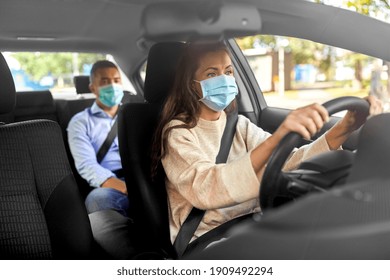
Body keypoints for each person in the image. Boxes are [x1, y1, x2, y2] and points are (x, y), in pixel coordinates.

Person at [151, 41, 383, 247]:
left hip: (253, 223)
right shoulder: (177, 133)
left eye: (228, 71)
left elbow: (289, 162)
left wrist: (344, 128)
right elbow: (208, 188)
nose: (224, 79)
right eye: (212, 74)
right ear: (193, 85)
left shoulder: (238, 124)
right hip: (208, 239)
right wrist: (279, 135)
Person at [67, 60, 128, 217]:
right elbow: (87, 165)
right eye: (105, 81)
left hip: (143, 176)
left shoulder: (133, 114)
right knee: (98, 201)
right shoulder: (80, 122)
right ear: (93, 88)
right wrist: (124, 187)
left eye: (116, 80)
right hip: (109, 183)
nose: (113, 86)